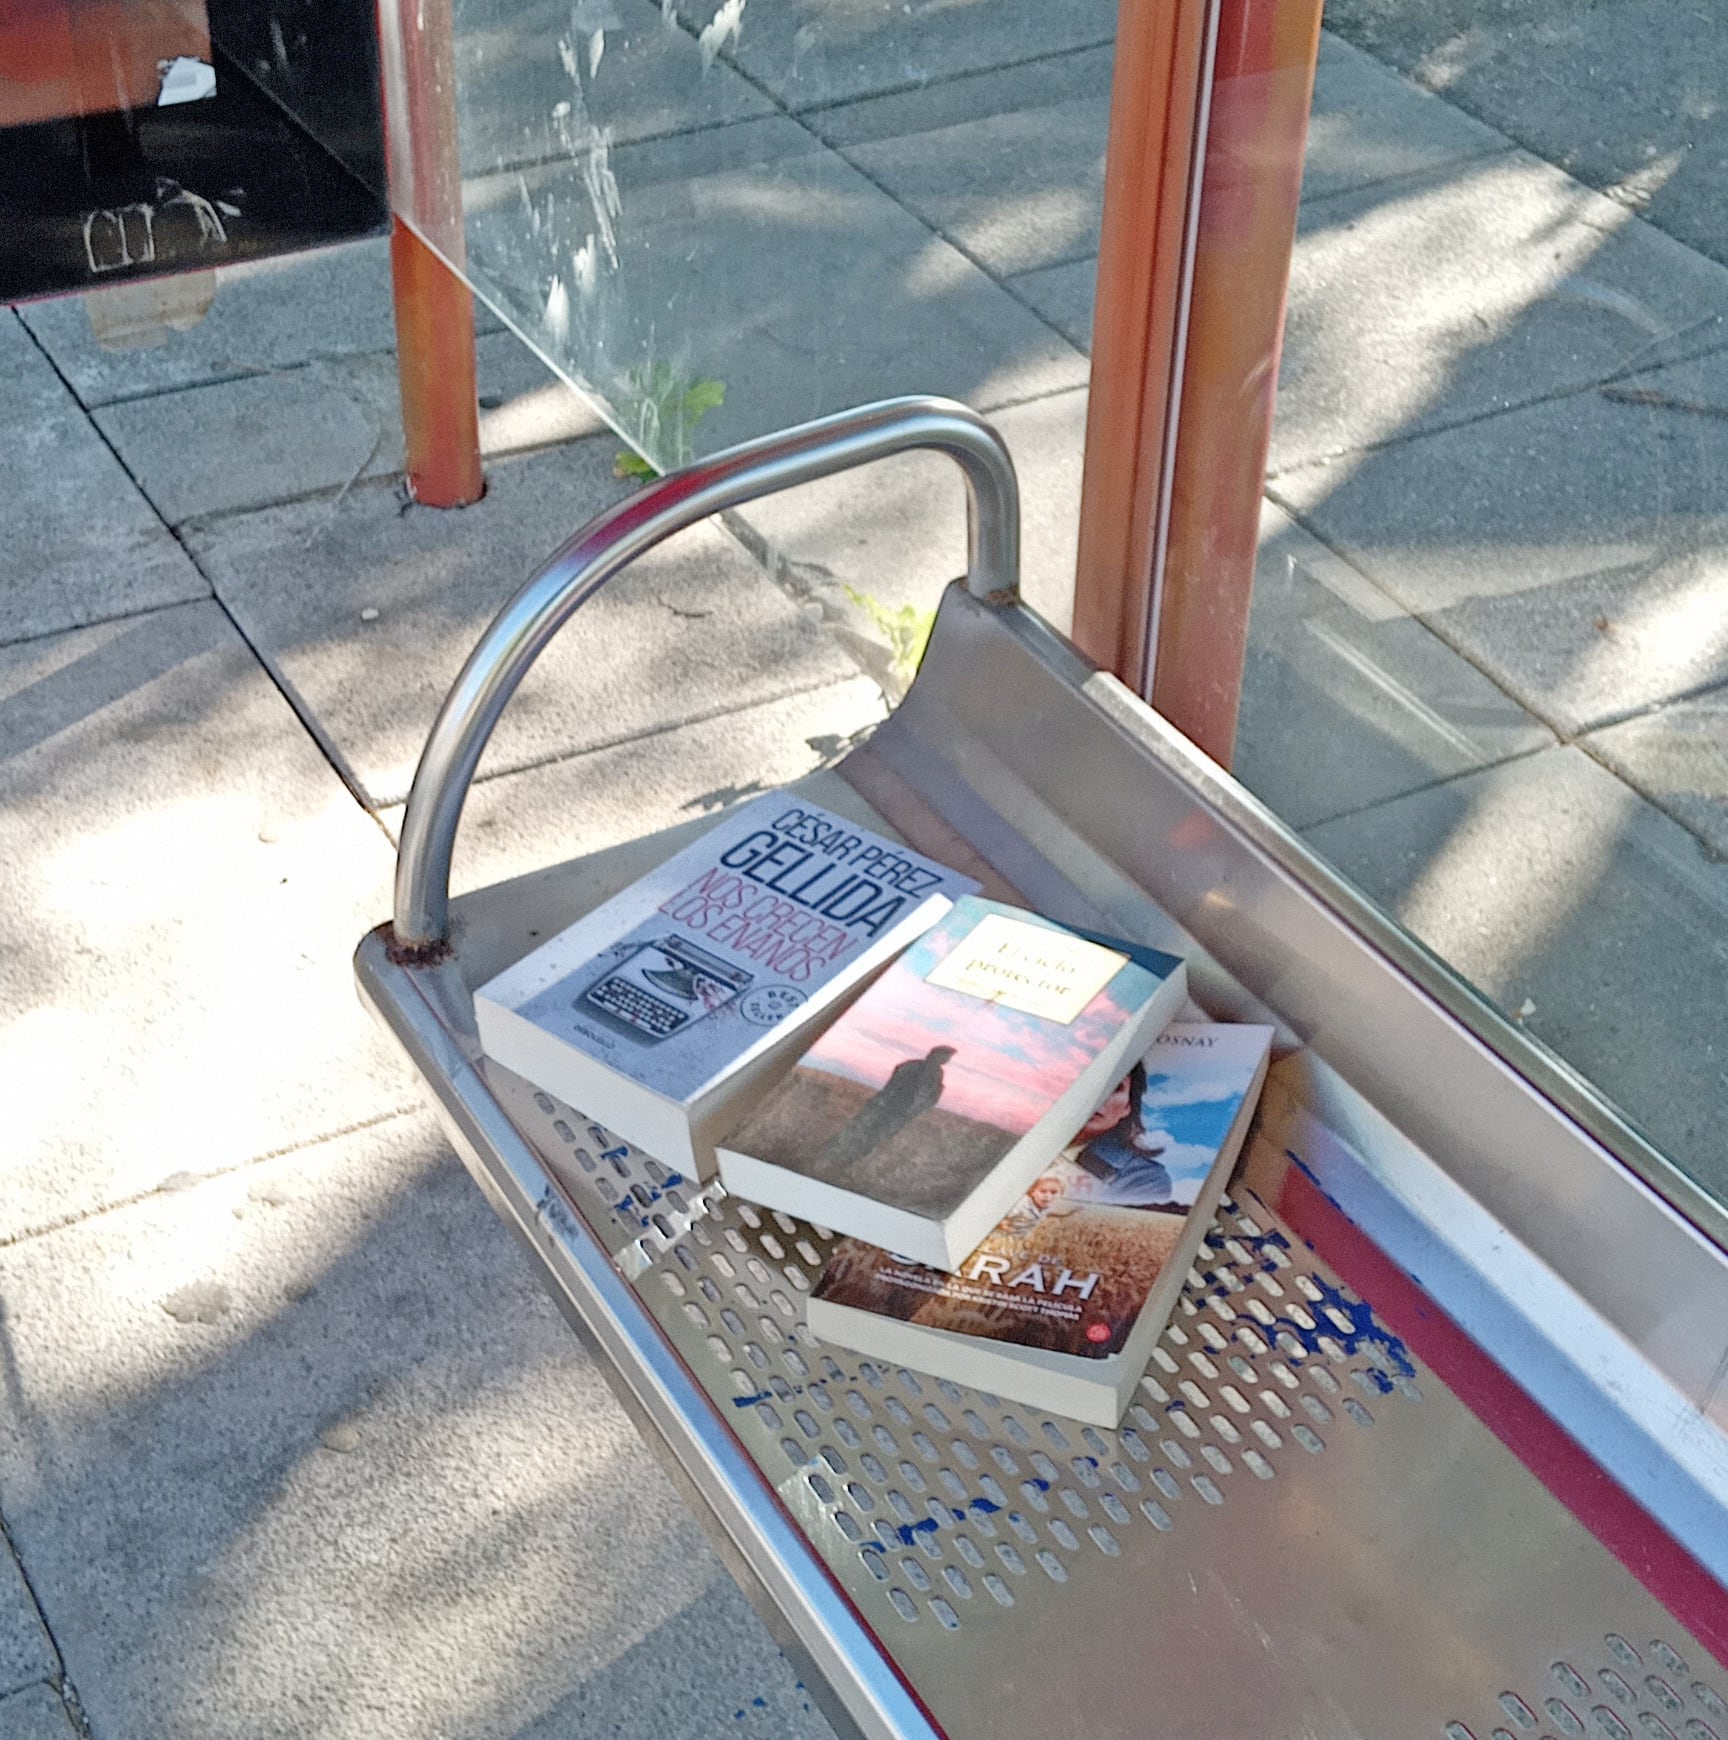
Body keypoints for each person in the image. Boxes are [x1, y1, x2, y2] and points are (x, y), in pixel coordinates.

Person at [1072, 1061, 1176, 1208]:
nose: (1099, 1097)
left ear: (1128, 1106)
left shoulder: (1144, 1178)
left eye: (1115, 1088)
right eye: (1089, 1082)